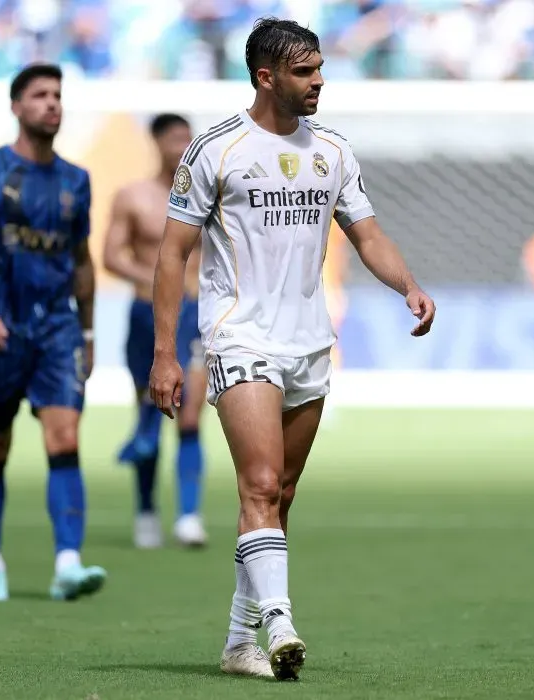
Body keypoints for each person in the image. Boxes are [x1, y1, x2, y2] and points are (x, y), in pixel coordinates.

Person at [149, 18, 436, 681]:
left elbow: (367, 235)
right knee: (259, 483)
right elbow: (173, 253)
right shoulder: (214, 149)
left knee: (281, 494)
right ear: (266, 76)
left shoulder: (333, 150)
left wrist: (408, 284)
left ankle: (237, 641)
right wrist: (166, 354)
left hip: (308, 340)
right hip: (238, 333)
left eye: (320, 70)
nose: (319, 82)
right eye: (306, 72)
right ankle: (279, 622)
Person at [0, 63, 107, 603]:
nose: (51, 104)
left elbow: (82, 262)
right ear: (16, 106)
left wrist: (86, 332)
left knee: (65, 437)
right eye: (39, 95)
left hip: (57, 328)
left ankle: (67, 563)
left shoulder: (77, 180)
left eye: (57, 95)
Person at [102, 113, 208, 550]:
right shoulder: (134, 197)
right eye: (175, 138)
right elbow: (111, 256)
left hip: (198, 315)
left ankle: (188, 515)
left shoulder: (210, 195)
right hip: (147, 316)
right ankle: (146, 509)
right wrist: (152, 278)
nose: (183, 145)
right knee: (151, 411)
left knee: (190, 414)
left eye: (189, 137)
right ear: (158, 143)